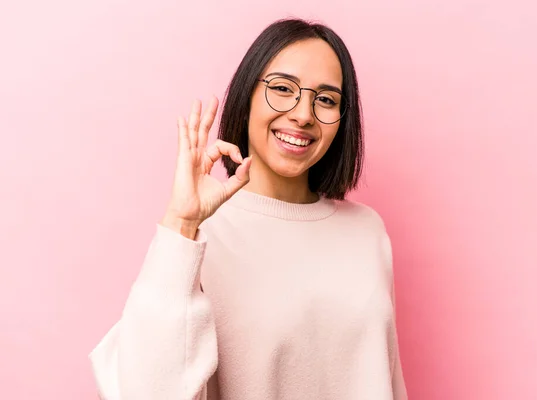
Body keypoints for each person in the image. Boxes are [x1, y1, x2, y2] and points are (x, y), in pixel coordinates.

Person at [89, 17, 408, 400]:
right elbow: (146, 391)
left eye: (325, 99)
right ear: (247, 96)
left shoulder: (367, 231)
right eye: (283, 88)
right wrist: (181, 224)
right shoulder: (199, 235)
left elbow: (387, 381)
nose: (303, 114)